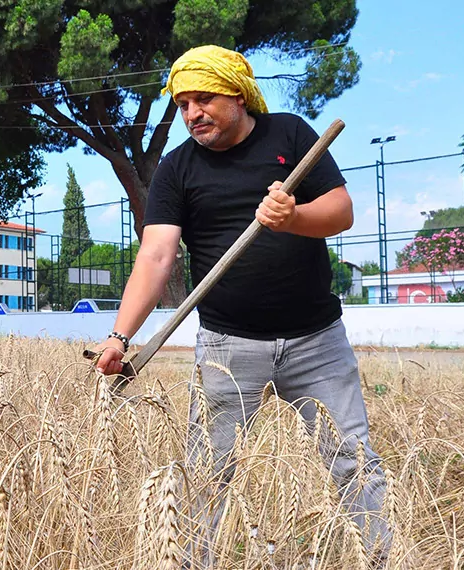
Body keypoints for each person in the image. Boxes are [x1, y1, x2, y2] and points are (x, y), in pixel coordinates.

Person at [90, 45, 390, 567]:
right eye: (183, 104)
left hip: (316, 340)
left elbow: (340, 212)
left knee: (353, 462)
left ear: (237, 94)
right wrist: (120, 336)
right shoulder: (177, 168)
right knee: (207, 471)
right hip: (228, 345)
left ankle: (382, 557)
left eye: (203, 99)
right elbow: (157, 254)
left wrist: (293, 216)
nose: (192, 114)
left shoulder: (291, 135)